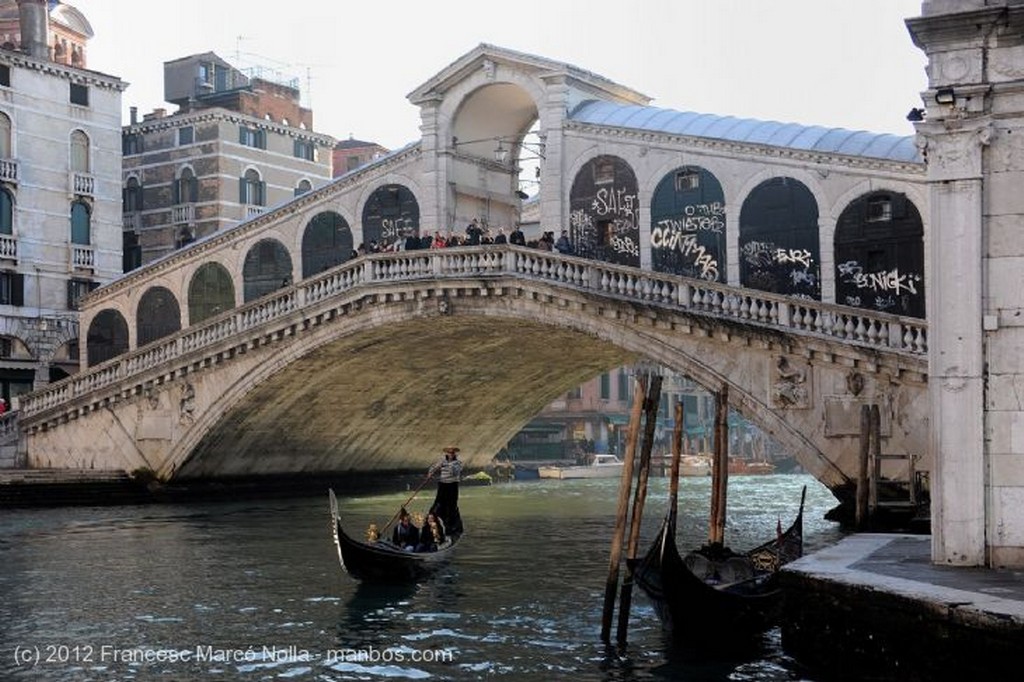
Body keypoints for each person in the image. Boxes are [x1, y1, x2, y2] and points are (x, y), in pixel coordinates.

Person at [427, 446, 464, 536]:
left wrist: (448, 465)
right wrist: (430, 473)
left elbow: (455, 472)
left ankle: (450, 529)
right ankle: (433, 525)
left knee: (451, 506)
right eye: (449, 452)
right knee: (437, 504)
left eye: (452, 453)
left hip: (453, 485)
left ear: (455, 454)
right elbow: (433, 467)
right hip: (443, 484)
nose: (450, 454)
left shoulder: (458, 463)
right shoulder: (441, 461)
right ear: (446, 453)